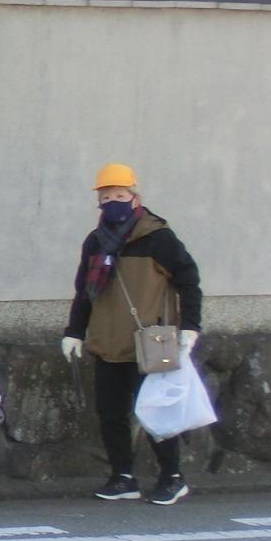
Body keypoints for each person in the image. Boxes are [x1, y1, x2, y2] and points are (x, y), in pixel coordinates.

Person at [60, 164, 202, 505]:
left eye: (120, 195)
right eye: (106, 196)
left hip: (153, 340)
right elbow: (84, 293)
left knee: (158, 412)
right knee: (110, 414)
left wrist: (190, 326)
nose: (113, 202)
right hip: (107, 341)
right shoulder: (95, 242)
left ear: (135, 197)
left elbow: (189, 280)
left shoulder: (158, 238)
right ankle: (122, 476)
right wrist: (74, 332)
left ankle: (172, 476)